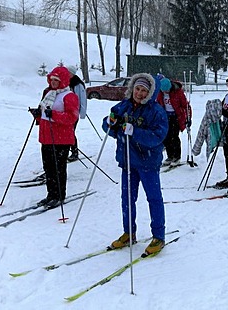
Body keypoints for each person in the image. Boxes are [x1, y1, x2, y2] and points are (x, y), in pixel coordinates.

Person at [103, 73, 168, 256]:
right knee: (127, 199)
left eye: (144, 90)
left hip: (147, 162)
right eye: (137, 89)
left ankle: (159, 236)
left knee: (154, 198)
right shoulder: (124, 106)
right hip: (128, 161)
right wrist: (110, 122)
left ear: (150, 93)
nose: (139, 93)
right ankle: (129, 232)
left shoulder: (156, 111)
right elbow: (110, 124)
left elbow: (157, 137)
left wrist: (134, 132)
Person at [29, 66, 79, 208]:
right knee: (48, 168)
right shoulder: (49, 93)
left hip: (61, 139)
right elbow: (45, 114)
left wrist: (54, 115)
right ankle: (51, 195)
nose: (53, 82)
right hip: (46, 137)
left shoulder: (69, 96)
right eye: (52, 79)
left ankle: (59, 195)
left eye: (56, 80)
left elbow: (72, 117)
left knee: (58, 169)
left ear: (63, 80)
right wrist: (38, 114)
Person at [156, 76, 189, 167]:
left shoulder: (178, 92)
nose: (165, 93)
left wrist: (187, 118)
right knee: (166, 137)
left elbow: (185, 105)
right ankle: (170, 156)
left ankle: (176, 156)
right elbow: (158, 104)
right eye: (163, 91)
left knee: (174, 137)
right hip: (165, 117)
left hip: (176, 117)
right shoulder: (160, 93)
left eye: (166, 91)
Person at [66, 65, 87, 161]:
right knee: (66, 132)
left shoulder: (78, 84)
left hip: (74, 112)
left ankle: (74, 152)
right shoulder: (65, 82)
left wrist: (82, 112)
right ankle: (66, 151)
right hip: (65, 112)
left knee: (70, 132)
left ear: (72, 73)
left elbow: (82, 99)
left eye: (68, 72)